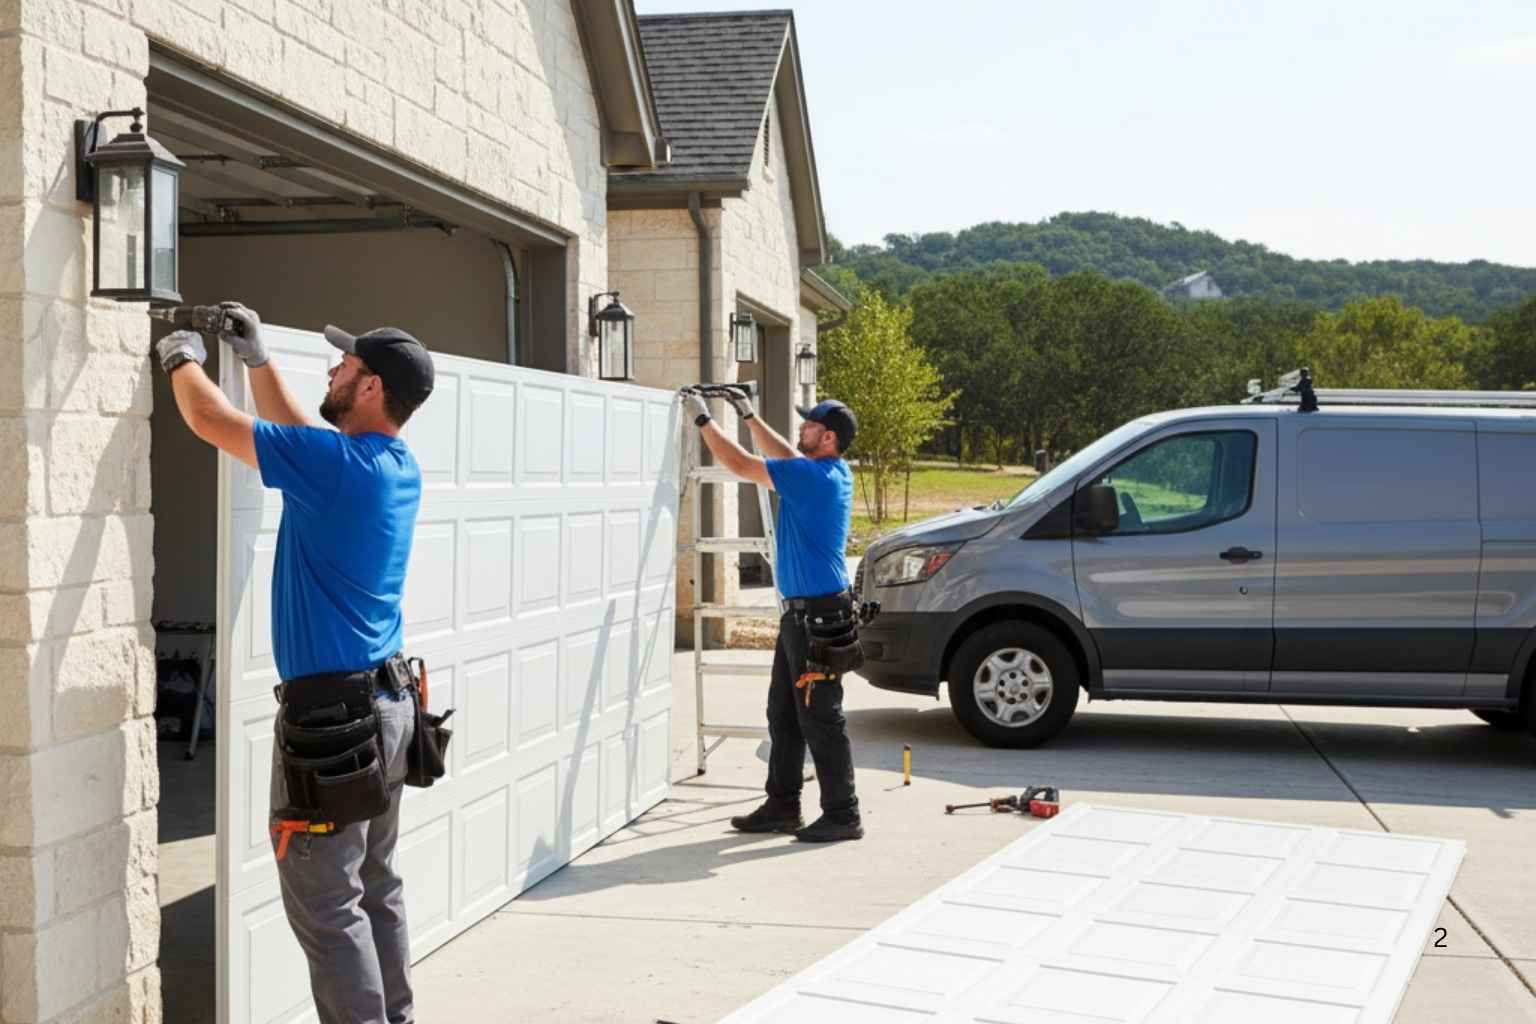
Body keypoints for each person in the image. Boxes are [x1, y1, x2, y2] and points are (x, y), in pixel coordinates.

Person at [154, 304, 434, 1024]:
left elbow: (211, 423)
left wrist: (178, 354)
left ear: (370, 387)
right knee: (374, 885)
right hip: (389, 706)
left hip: (334, 724)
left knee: (327, 903)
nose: (333, 368)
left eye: (345, 364)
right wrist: (256, 360)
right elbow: (311, 438)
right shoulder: (388, 463)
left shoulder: (338, 466)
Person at [681, 388, 864, 842]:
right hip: (801, 618)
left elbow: (743, 465)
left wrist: (703, 421)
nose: (800, 428)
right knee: (783, 714)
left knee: (820, 718)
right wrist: (748, 415)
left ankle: (844, 814)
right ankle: (783, 806)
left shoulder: (814, 478)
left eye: (809, 425)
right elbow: (783, 454)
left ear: (827, 438)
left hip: (818, 620)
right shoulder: (828, 470)